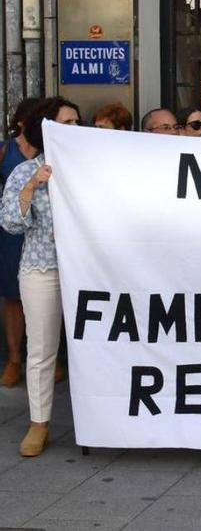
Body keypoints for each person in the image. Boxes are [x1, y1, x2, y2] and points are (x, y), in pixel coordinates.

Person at [1, 96, 81, 457]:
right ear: (46, 129)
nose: (74, 129)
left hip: (87, 267)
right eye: (66, 123)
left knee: (95, 344)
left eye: (77, 122)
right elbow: (12, 223)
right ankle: (39, 422)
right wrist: (33, 185)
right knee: (42, 349)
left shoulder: (92, 168)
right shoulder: (25, 171)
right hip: (42, 266)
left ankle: (100, 416)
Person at [0, 98, 38, 387]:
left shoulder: (50, 150)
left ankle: (50, 357)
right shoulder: (5, 150)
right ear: (22, 122)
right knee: (13, 296)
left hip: (41, 232)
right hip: (12, 233)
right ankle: (14, 359)